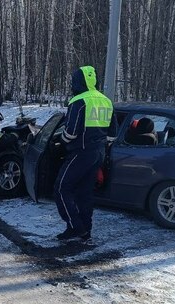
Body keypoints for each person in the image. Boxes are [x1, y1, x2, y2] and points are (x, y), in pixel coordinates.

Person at [53, 66, 117, 243]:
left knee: (61, 188)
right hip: (99, 152)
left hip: (80, 152)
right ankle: (85, 230)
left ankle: (75, 227)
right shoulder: (106, 101)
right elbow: (112, 133)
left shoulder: (79, 101)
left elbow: (71, 133)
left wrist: (61, 142)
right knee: (85, 192)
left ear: (77, 81)